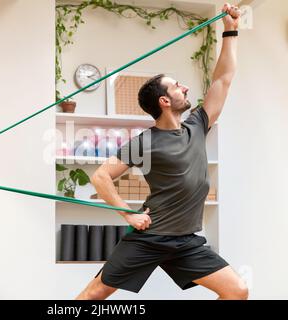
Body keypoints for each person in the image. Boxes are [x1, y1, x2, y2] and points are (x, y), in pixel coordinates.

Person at [76, 3, 248, 300]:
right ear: (164, 102)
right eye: (176, 86)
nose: (184, 87)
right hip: (151, 237)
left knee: (237, 291)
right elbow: (102, 176)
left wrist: (230, 29)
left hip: (187, 242)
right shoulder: (145, 141)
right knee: (93, 295)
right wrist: (128, 216)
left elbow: (223, 79)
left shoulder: (198, 124)